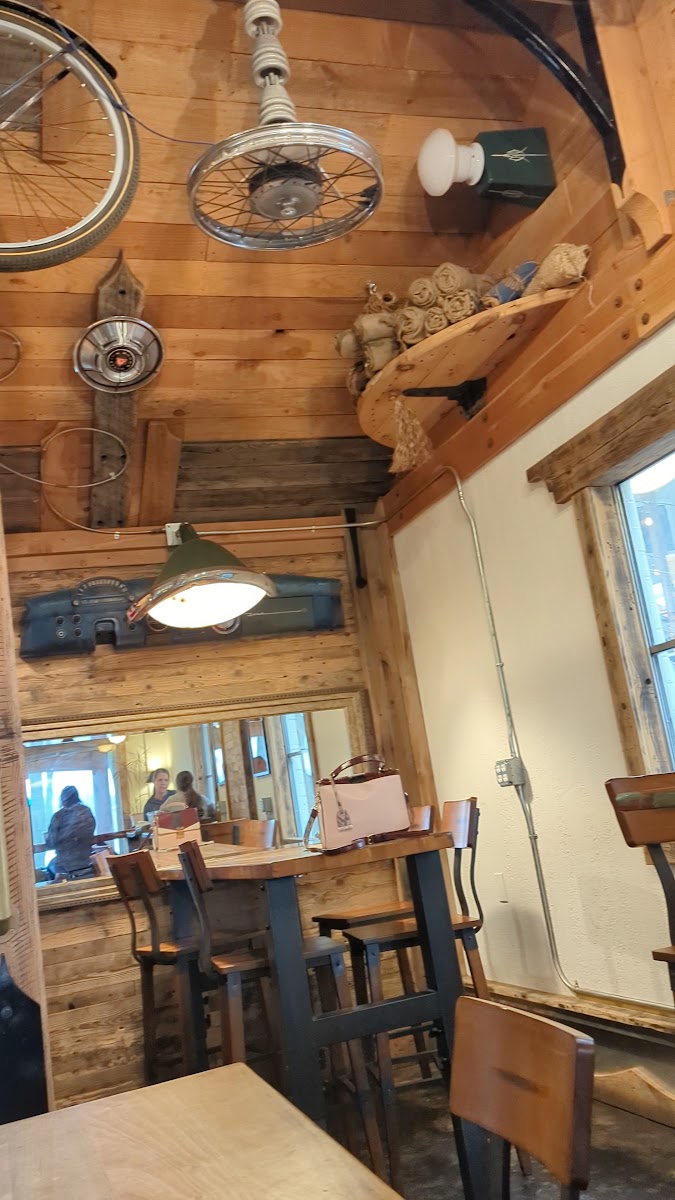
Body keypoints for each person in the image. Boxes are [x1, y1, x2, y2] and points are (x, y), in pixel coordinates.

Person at [45, 786, 96, 879]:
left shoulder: (58, 816)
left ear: (63, 799)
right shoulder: (86, 811)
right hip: (86, 861)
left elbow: (51, 842)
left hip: (65, 865)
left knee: (48, 870)